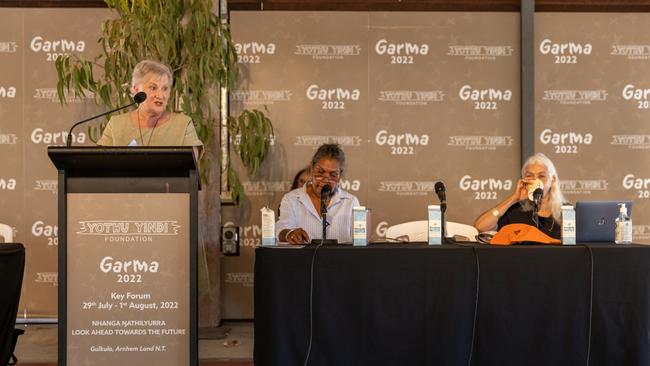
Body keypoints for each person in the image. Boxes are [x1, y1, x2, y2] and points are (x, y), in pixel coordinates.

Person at [97, 60, 203, 158]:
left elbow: (189, 169)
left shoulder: (183, 124)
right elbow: (99, 165)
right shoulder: (116, 124)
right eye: (153, 88)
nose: (160, 95)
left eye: (165, 89)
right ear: (137, 90)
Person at [276, 144, 360, 244]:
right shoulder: (292, 199)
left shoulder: (350, 202)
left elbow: (359, 242)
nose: (325, 180)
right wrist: (290, 233)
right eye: (320, 172)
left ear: (339, 176)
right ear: (312, 169)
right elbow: (281, 228)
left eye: (333, 175)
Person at [473, 153, 566, 239]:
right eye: (529, 176)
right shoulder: (515, 211)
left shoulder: (566, 212)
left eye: (541, 176)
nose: (535, 180)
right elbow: (480, 227)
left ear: (553, 179)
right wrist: (513, 198)